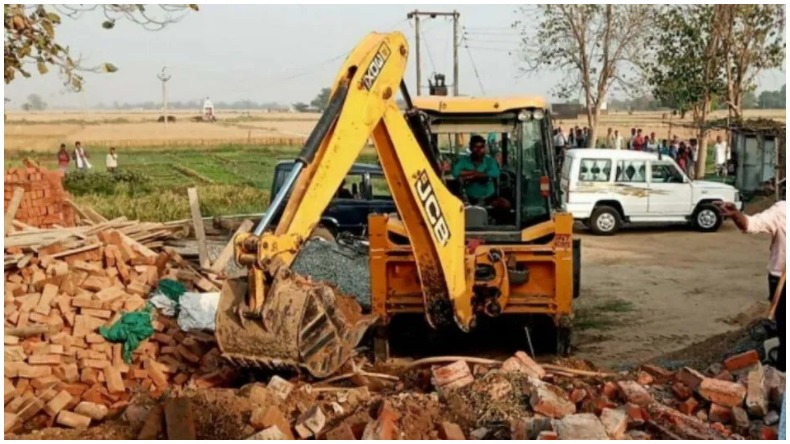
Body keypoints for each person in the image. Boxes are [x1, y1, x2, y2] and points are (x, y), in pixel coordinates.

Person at [717, 199, 785, 372]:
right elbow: (752, 224)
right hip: (782, 281)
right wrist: (736, 215)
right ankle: (781, 373)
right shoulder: (783, 210)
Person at [452, 134, 500, 205]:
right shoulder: (464, 160)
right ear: (470, 148)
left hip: (488, 198)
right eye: (476, 147)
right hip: (469, 199)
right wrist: (474, 172)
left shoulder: (490, 161)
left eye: (481, 147)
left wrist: (473, 175)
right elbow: (455, 172)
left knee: (505, 205)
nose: (479, 150)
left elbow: (495, 173)